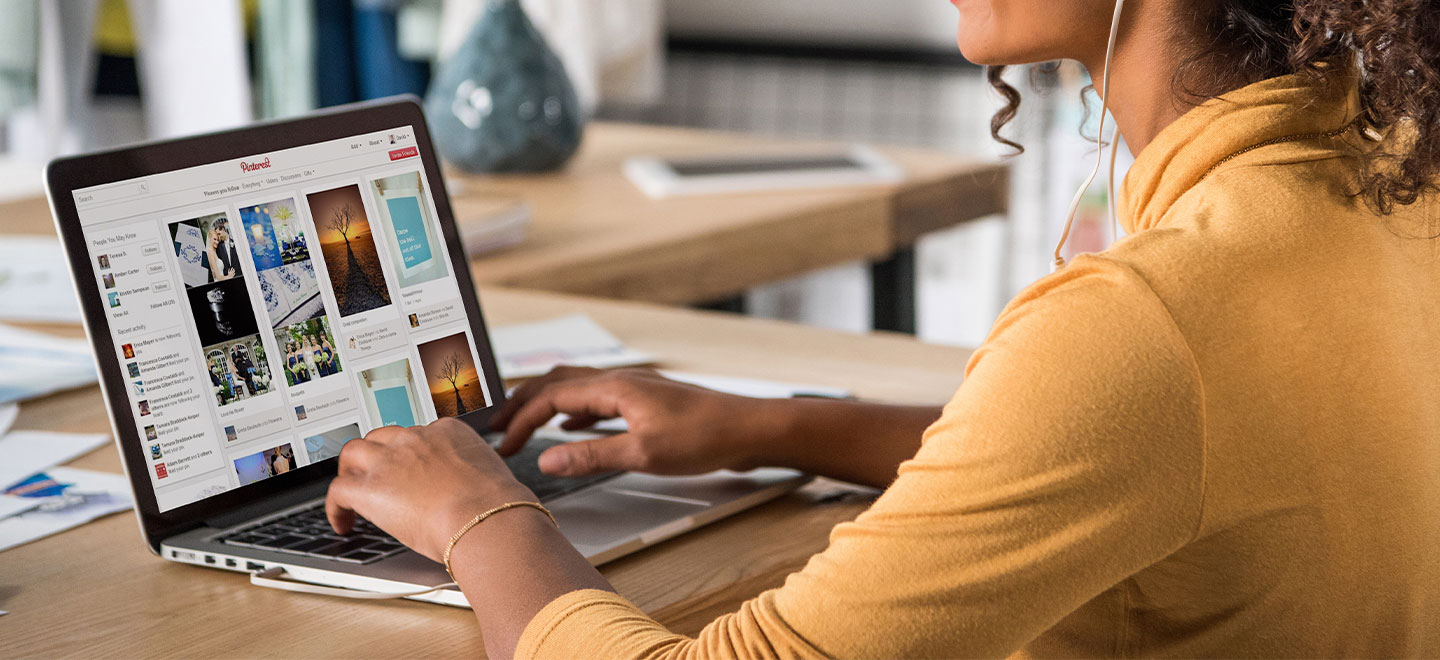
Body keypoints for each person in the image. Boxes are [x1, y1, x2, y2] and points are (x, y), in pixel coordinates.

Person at [322, 2, 1440, 658]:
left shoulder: (1152, 323)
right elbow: (1155, 450)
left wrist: (479, 513)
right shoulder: (1387, 190)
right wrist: (774, 425)